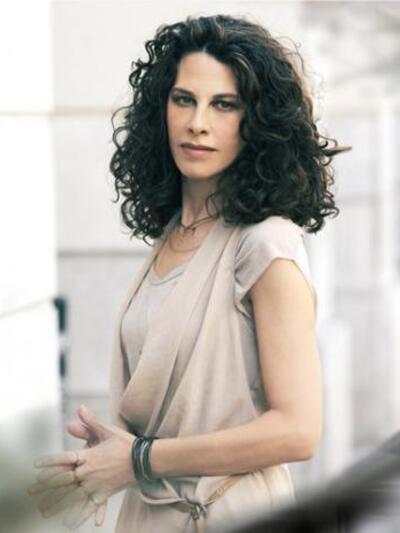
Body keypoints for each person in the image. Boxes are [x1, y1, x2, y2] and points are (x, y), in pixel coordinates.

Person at [28, 13, 351, 533]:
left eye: (224, 104)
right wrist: (104, 461)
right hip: (152, 515)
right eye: (184, 99)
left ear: (257, 122)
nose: (197, 122)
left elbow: (298, 431)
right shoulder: (173, 236)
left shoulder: (264, 245)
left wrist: (139, 458)